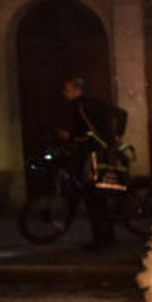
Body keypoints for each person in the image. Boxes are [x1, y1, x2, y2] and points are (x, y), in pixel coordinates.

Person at [58, 77, 123, 247]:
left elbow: (86, 132)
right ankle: (107, 236)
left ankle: (100, 239)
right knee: (97, 195)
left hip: (94, 155)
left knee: (92, 195)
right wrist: (117, 135)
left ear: (76, 90)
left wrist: (70, 137)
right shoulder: (90, 103)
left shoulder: (82, 106)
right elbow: (121, 113)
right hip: (100, 152)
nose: (65, 94)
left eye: (67, 90)